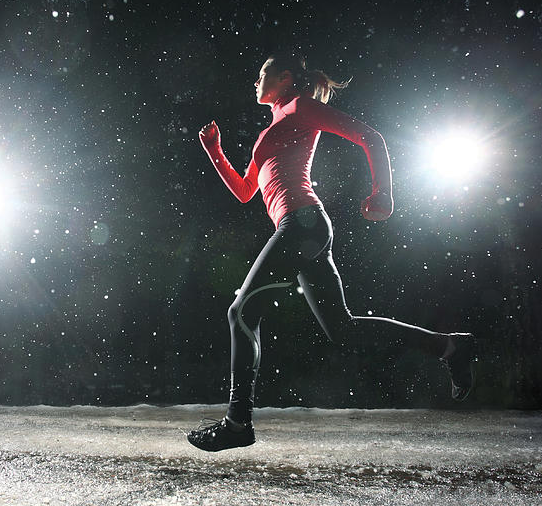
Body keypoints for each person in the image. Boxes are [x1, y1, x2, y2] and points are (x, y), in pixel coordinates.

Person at [187, 53, 474, 452]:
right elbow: (245, 191)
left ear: (285, 78)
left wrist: (383, 192)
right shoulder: (271, 128)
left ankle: (237, 422)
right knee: (344, 329)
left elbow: (371, 138)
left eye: (262, 73)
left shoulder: (299, 108)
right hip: (304, 228)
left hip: (302, 224)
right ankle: (449, 346)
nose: (255, 81)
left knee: (241, 313)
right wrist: (214, 150)